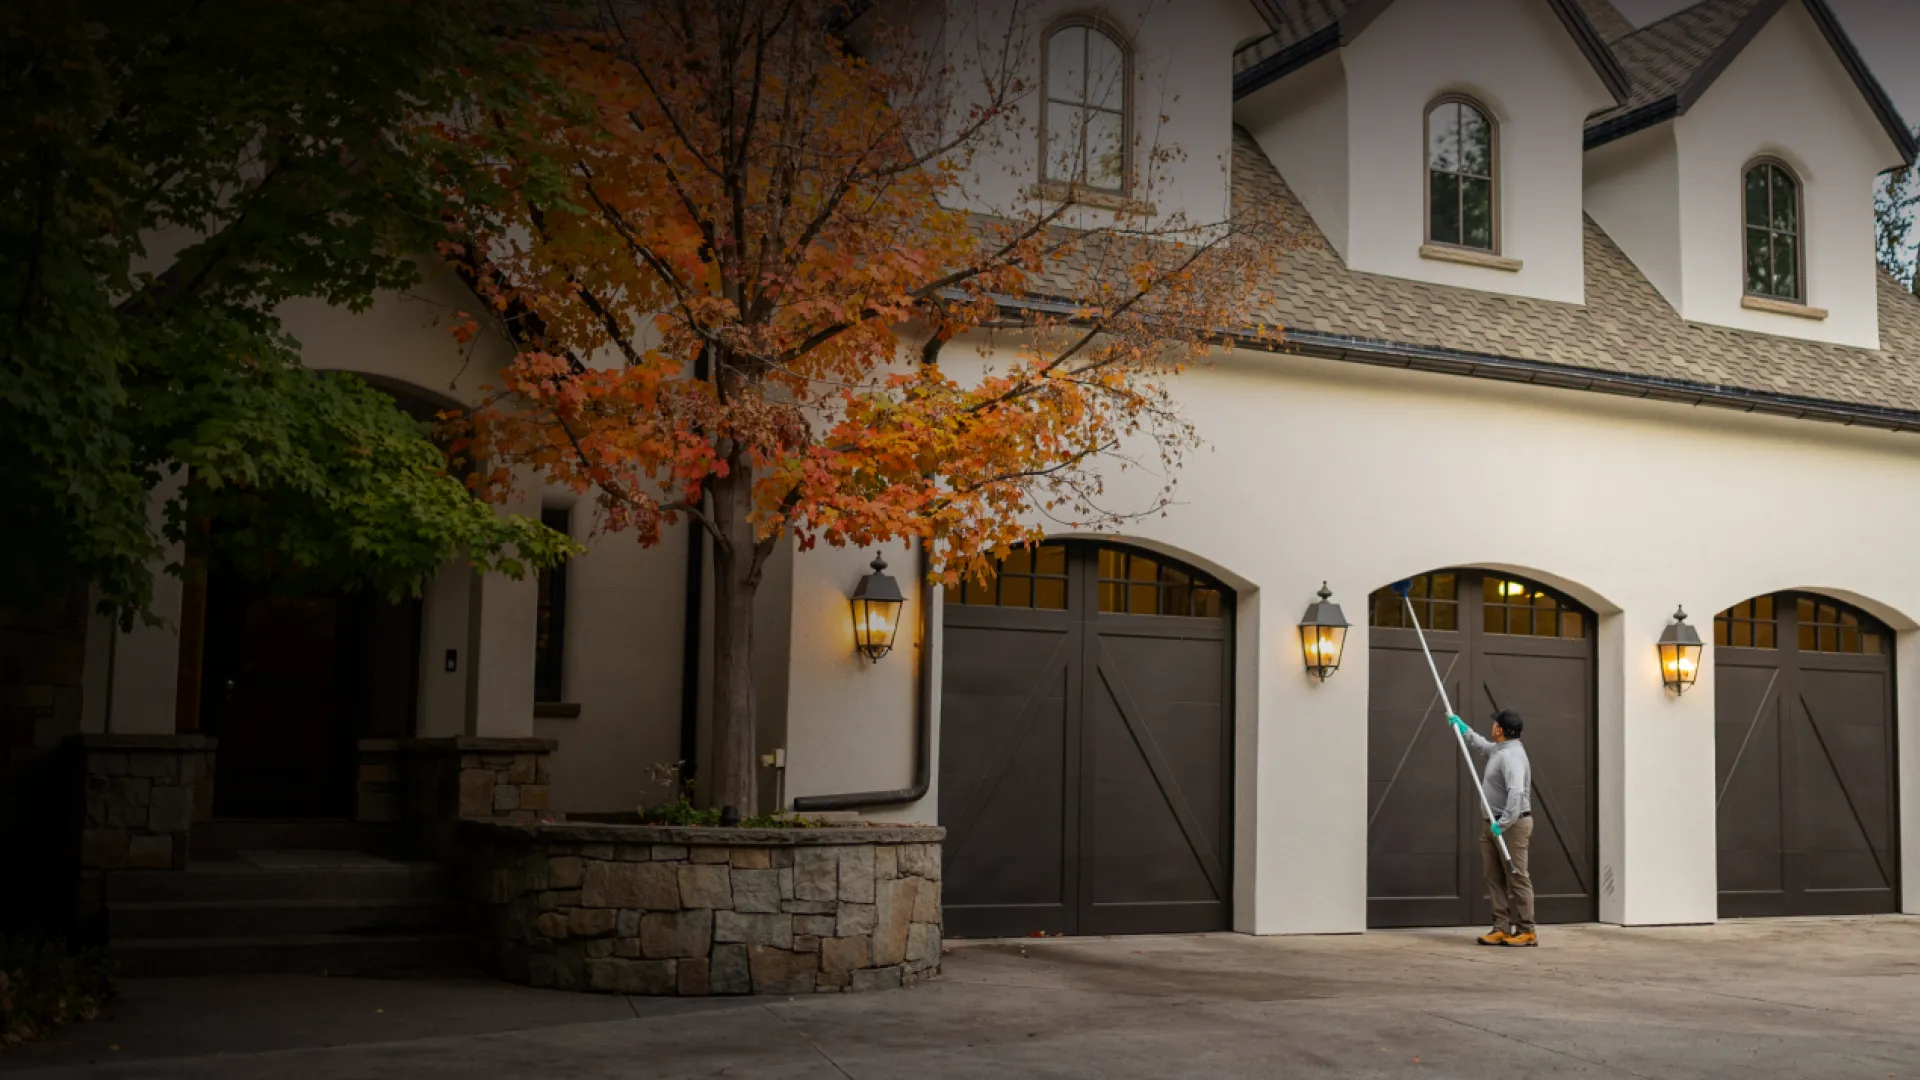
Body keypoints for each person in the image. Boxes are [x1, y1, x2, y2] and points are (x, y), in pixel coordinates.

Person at [1447, 708, 1535, 947]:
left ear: (1499, 729)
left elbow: (1516, 793)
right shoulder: (1501, 749)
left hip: (1511, 825)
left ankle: (1527, 930)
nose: (1492, 725)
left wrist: (1504, 823)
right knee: (1494, 877)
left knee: (1517, 877)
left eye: (1495, 723)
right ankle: (1501, 928)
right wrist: (1464, 729)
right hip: (1493, 823)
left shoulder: (1511, 757)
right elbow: (1483, 746)